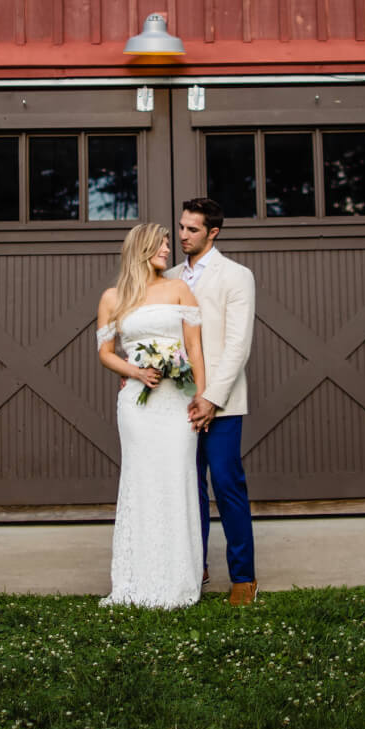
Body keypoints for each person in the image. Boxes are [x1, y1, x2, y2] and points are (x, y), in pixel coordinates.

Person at [96, 222, 208, 609]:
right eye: (161, 244)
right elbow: (106, 352)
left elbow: (194, 348)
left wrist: (202, 395)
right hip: (137, 406)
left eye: (166, 243)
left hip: (177, 400)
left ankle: (179, 580)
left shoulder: (179, 289)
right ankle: (135, 578)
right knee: (141, 482)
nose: (167, 249)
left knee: (177, 478)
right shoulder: (113, 297)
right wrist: (136, 372)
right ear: (141, 249)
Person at [175, 198, 258, 606]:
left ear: (213, 232)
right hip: (176, 403)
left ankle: (243, 577)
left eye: (192, 229)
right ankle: (195, 567)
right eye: (181, 227)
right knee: (187, 487)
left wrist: (211, 397)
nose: (183, 235)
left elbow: (238, 345)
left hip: (222, 403)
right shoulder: (170, 277)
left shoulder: (237, 276)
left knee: (226, 486)